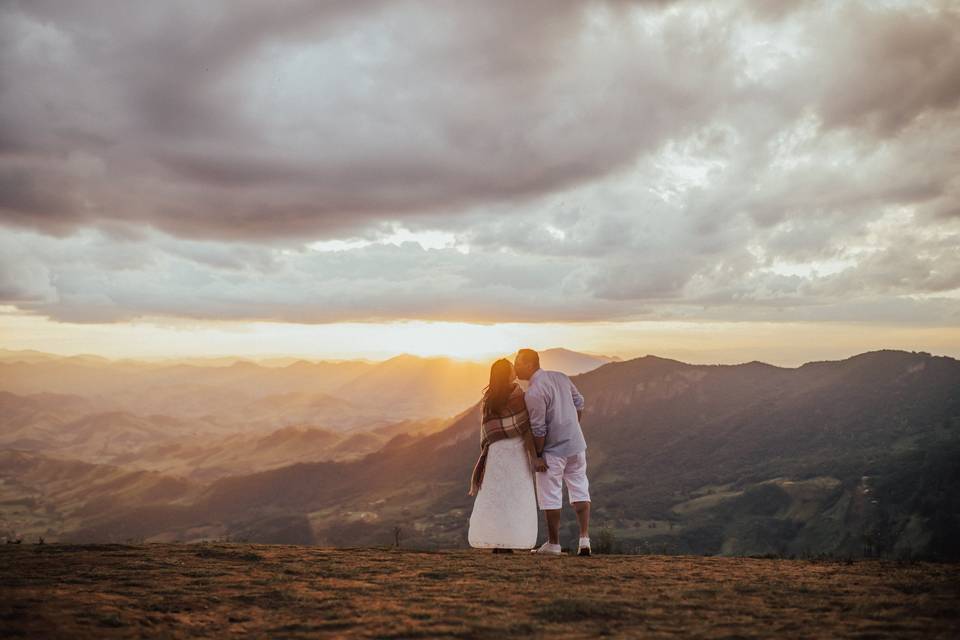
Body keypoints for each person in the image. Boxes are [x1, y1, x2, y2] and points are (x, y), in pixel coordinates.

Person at [514, 348, 591, 556]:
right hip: (576, 445)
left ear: (530, 364)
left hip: (553, 451)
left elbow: (539, 429)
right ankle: (584, 540)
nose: (515, 366)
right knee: (580, 489)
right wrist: (571, 427)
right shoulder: (561, 377)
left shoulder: (534, 392)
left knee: (551, 496)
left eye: (518, 362)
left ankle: (554, 544)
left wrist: (537, 456)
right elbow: (580, 402)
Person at [467, 358, 543, 552]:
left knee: (496, 497)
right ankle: (509, 541)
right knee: (515, 497)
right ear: (507, 374)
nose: (514, 371)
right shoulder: (519, 396)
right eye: (511, 369)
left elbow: (488, 430)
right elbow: (525, 430)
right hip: (516, 452)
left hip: (495, 453)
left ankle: (496, 541)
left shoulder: (489, 399)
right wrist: (534, 456)